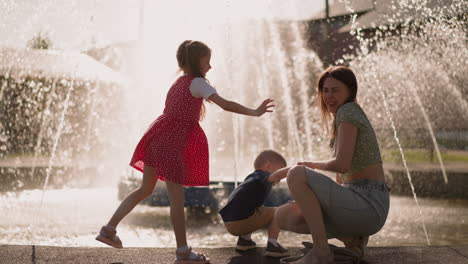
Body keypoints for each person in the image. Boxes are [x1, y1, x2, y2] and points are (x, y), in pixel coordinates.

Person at [95, 40, 274, 264]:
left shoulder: (178, 82)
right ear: (195, 61)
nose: (210, 67)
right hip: (171, 145)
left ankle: (109, 229)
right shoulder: (198, 82)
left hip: (157, 138)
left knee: (144, 189)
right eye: (207, 62)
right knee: (177, 201)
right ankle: (182, 252)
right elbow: (226, 104)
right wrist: (255, 112)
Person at [275, 66, 390, 264]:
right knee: (284, 215)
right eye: (325, 90)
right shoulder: (344, 115)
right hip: (357, 200)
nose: (329, 96)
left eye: (335, 90)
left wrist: (308, 165)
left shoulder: (348, 111)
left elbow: (342, 165)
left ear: (350, 91)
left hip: (369, 203)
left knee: (296, 174)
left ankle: (321, 251)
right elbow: (342, 176)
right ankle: (352, 241)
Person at [219, 150, 290, 258]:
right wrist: (297, 169)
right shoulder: (263, 176)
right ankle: (272, 245)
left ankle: (244, 241)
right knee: (278, 211)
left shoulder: (252, 177)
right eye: (280, 171)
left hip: (229, 221)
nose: (280, 179)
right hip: (240, 222)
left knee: (257, 210)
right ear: (268, 166)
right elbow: (276, 175)